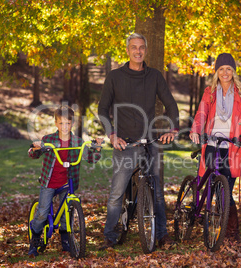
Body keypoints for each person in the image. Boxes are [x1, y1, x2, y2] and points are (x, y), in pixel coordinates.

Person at [97, 33, 179, 250]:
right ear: (127, 50)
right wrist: (112, 134)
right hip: (125, 143)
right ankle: (109, 237)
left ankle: (162, 235)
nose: (138, 51)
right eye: (134, 47)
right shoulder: (115, 77)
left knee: (158, 193)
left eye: (141, 47)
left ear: (145, 50)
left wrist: (172, 128)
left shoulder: (154, 76)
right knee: (117, 193)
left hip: (151, 141)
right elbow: (103, 109)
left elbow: (171, 105)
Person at [189, 53, 241, 242]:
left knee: (225, 189)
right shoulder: (210, 91)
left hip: (233, 145)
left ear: (233, 71)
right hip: (211, 142)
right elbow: (202, 112)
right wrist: (196, 130)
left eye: (228, 69)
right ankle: (211, 220)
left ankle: (231, 230)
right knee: (209, 183)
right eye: (221, 69)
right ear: (216, 72)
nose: (225, 73)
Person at [28, 106, 103, 257]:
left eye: (68, 123)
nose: (65, 126)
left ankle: (66, 242)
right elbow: (34, 154)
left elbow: (90, 158)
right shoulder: (48, 140)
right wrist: (35, 148)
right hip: (49, 182)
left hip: (67, 183)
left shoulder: (77, 141)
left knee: (65, 215)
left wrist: (98, 148)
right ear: (56, 123)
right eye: (61, 123)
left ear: (72, 124)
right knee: (42, 213)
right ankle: (34, 240)